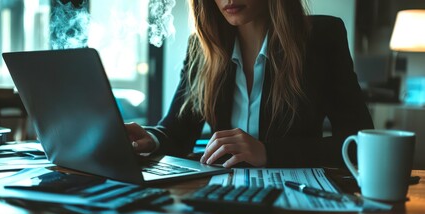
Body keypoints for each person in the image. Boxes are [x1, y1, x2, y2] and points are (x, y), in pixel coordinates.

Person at [125, 0, 373, 168]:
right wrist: (151, 138)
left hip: (295, 201)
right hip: (221, 197)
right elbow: (178, 131)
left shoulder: (320, 37)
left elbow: (361, 143)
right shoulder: (202, 48)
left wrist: (267, 152)